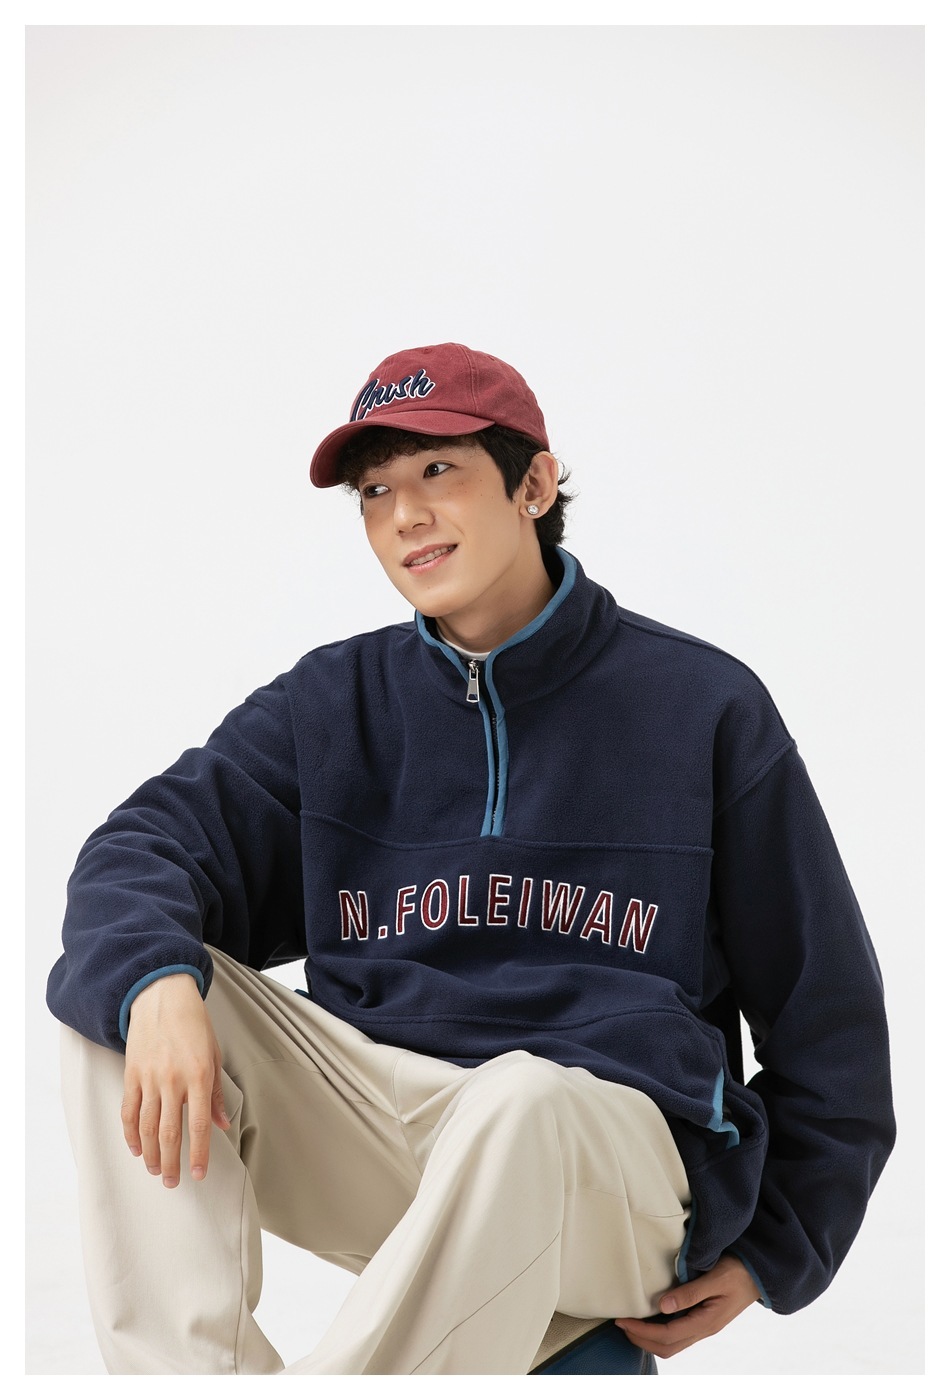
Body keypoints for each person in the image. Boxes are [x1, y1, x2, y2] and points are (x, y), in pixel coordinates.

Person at [47, 342, 896, 1375]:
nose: (404, 513)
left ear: (532, 484)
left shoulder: (702, 705)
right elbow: (140, 846)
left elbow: (827, 1009)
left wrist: (776, 1249)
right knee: (117, 996)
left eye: (437, 470)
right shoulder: (332, 705)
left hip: (613, 1162)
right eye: (375, 490)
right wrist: (154, 990)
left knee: (521, 1099)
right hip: (396, 1133)